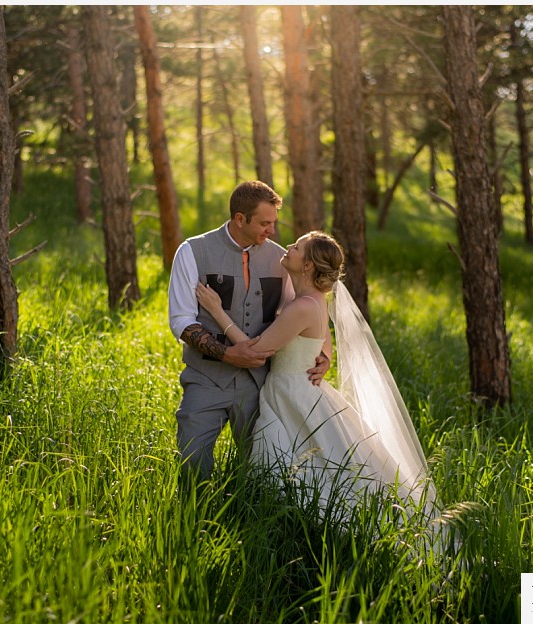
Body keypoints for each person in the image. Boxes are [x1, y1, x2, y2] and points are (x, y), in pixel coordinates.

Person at [195, 231, 438, 527]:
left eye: (296, 248)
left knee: (308, 468)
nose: (288, 247)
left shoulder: (302, 307)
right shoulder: (310, 301)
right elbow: (325, 345)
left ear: (308, 265)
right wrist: (324, 359)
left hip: (291, 393)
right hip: (295, 389)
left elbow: (256, 352)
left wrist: (217, 311)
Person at [167, 180, 330, 480]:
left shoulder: (283, 260)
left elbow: (309, 307)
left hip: (261, 387)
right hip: (205, 380)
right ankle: (194, 522)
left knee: (262, 475)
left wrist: (323, 354)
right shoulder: (192, 252)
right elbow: (181, 321)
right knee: (192, 463)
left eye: (273, 223)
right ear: (240, 219)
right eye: (265, 223)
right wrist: (228, 355)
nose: (272, 231)